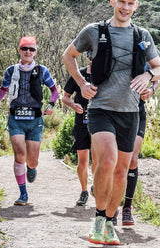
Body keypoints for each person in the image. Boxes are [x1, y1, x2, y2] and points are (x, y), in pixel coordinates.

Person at [62, 0, 160, 245]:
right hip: (100, 109)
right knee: (106, 160)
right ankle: (97, 219)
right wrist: (82, 84)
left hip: (130, 112)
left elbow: (159, 69)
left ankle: (109, 221)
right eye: (122, 2)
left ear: (136, 6)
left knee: (121, 171)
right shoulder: (95, 31)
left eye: (131, 3)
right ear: (112, 1)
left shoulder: (142, 35)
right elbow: (68, 55)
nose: (126, 7)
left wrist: (149, 78)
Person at [0, 36, 58, 206]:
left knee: (32, 159)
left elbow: (54, 91)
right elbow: (3, 90)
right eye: (25, 48)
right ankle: (23, 194)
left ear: (35, 52)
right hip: (16, 119)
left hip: (35, 119)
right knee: (19, 155)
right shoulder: (11, 70)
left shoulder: (42, 70)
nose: (28, 52)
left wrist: (51, 105)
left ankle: (32, 167)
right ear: (19, 50)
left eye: (31, 49)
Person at [120, 73, 159, 226]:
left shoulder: (144, 51)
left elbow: (157, 76)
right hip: (115, 112)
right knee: (116, 161)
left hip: (137, 112)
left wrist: (152, 90)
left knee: (133, 160)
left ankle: (127, 208)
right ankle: (111, 203)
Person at [62, 51, 97, 206]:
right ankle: (84, 191)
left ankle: (96, 188)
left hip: (99, 124)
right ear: (87, 56)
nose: (93, 57)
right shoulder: (79, 75)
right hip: (81, 123)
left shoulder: (105, 75)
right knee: (82, 162)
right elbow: (65, 97)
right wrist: (73, 105)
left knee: (97, 160)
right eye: (90, 54)